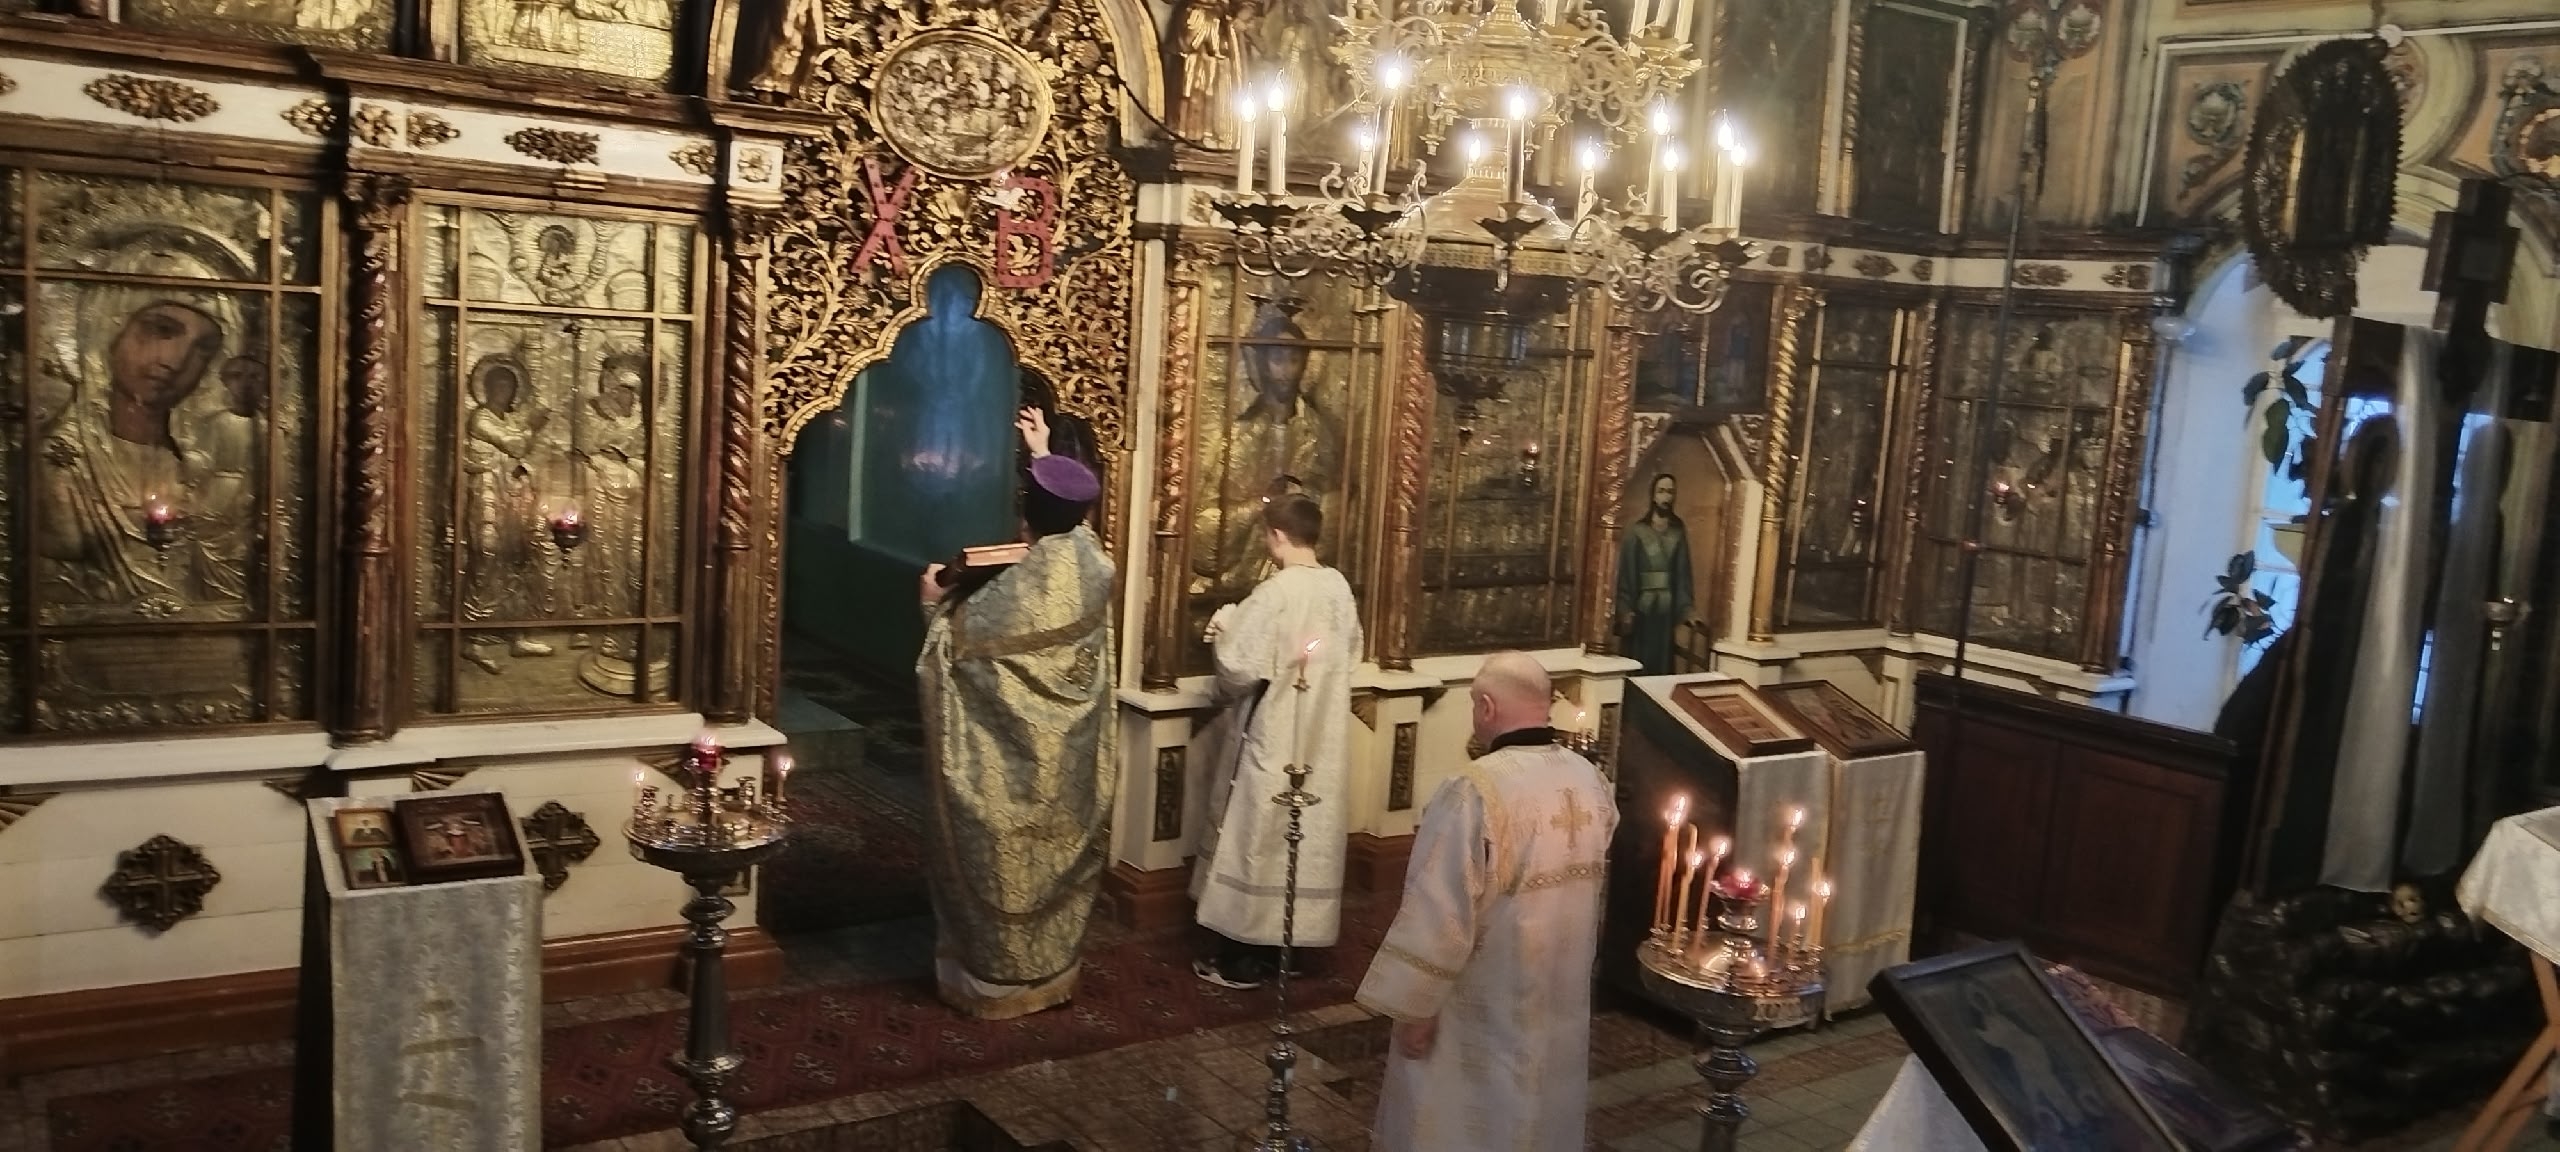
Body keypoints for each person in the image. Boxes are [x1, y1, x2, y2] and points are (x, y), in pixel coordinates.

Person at [1356, 652, 1618, 1151]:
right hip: (1560, 993)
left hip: (1483, 1000)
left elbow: (1439, 908)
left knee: (1460, 1115)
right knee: (1541, 1112)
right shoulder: (1590, 780)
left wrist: (1416, 1008)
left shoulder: (1475, 790)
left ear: (1486, 706)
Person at [916, 407, 1118, 1019]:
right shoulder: (1095, 562)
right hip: (1068, 760)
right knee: (1053, 853)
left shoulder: (1019, 585)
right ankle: (1053, 973)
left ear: (1029, 508)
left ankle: (999, 982)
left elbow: (953, 651)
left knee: (1004, 857)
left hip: (1007, 765)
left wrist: (931, 600)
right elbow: (1064, 514)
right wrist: (1044, 454)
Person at [1190, 492, 1362, 989]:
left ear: (1277, 535)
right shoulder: (1338, 587)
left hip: (1275, 729)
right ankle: (1287, 948)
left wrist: (1225, 626)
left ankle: (1241, 958)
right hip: (1322, 736)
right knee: (1300, 834)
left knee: (1257, 834)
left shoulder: (1275, 592)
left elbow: (1238, 668)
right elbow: (1351, 652)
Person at [1615, 473, 1693, 675]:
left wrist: (1686, 609)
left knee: (1662, 664)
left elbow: (1682, 572)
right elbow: (1627, 573)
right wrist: (1626, 609)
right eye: (1661, 491)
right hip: (1641, 610)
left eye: (1670, 492)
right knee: (1639, 662)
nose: (1666, 497)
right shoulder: (1638, 531)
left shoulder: (1678, 531)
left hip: (1665, 612)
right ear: (1653, 495)